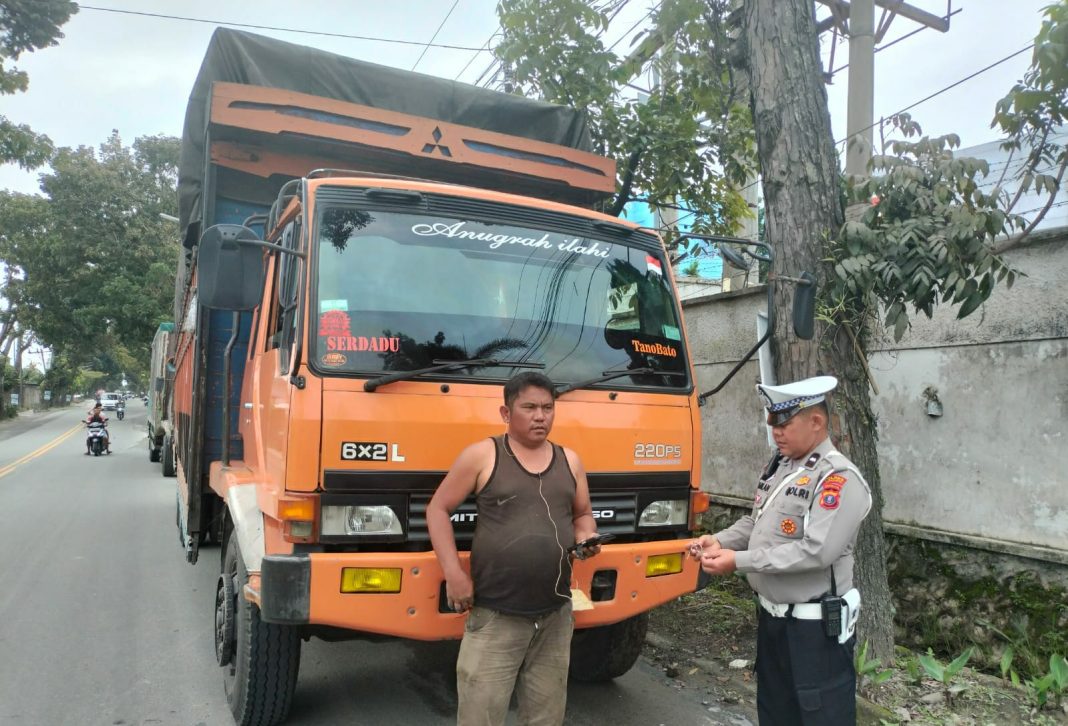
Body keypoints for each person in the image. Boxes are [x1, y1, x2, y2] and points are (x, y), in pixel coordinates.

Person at [691, 375, 872, 725]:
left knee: (820, 716)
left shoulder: (837, 479)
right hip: (774, 622)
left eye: (784, 423)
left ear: (816, 422)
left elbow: (815, 552)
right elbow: (756, 524)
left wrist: (738, 562)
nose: (775, 431)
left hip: (815, 631)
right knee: (775, 713)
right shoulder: (782, 467)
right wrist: (720, 541)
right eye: (772, 422)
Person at [427, 371, 601, 726]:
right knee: (481, 716)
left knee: (545, 717)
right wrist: (453, 574)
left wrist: (585, 537)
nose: (541, 416)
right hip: (496, 616)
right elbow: (437, 509)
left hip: (555, 616)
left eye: (548, 408)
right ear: (506, 414)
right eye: (530, 408)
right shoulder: (482, 456)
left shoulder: (570, 460)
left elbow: (583, 515)